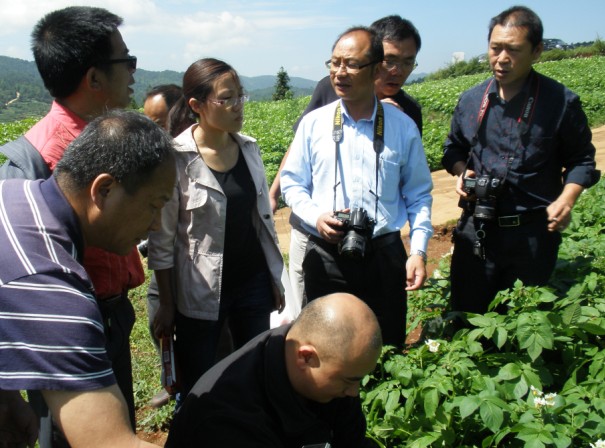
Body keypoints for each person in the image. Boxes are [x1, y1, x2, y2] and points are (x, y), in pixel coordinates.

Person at [0, 7, 142, 445]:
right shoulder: (36, 159)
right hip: (63, 334)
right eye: (127, 61)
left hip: (112, 319)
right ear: (94, 79)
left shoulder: (109, 139)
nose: (134, 73)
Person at [0, 110, 176, 447]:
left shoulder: (14, 195)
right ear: (104, 189)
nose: (155, 225)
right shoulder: (50, 287)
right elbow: (109, 443)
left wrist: (5, 399)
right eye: (155, 205)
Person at [442, 6, 600, 315]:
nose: (501, 58)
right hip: (477, 229)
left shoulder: (559, 103)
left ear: (537, 51)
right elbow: (453, 149)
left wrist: (567, 198)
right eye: (495, 48)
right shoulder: (471, 100)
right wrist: (462, 172)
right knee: (467, 316)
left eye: (513, 50)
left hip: (532, 235)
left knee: (523, 321)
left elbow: (582, 159)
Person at [280, 26, 433, 346]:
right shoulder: (314, 124)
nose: (340, 72)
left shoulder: (402, 127)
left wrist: (417, 251)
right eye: (334, 63)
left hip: (384, 255)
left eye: (351, 64)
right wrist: (316, 216)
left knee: (386, 344)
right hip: (325, 253)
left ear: (377, 69)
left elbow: (419, 194)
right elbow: (292, 184)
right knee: (325, 347)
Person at [148, 58, 286, 400]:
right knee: (200, 379)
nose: (238, 106)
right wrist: (166, 303)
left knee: (254, 367)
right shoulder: (177, 159)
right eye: (227, 99)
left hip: (252, 282)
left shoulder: (248, 148)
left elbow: (261, 221)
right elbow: (162, 240)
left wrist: (272, 276)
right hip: (201, 289)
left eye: (240, 95)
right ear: (196, 105)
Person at [165, 292, 382, 447]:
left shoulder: (332, 369)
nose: (354, 392)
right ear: (306, 357)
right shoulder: (228, 420)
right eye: (348, 381)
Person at [140, 84, 183, 409]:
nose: (153, 133)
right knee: (159, 325)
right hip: (161, 266)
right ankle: (171, 383)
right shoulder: (152, 163)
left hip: (193, 269)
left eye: (158, 123)